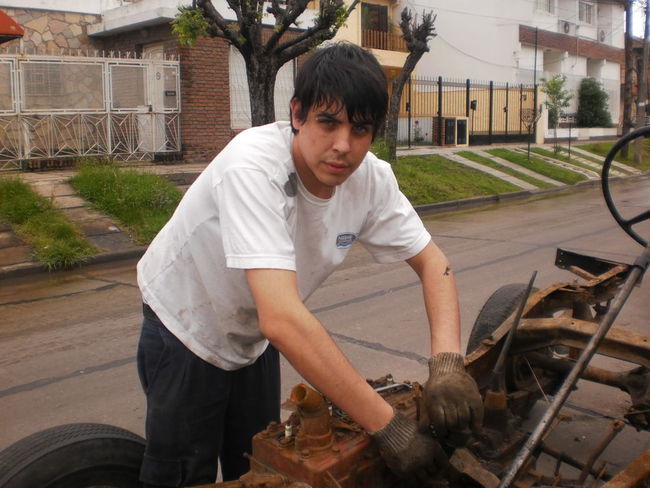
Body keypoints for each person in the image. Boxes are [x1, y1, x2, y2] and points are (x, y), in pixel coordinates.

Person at [136, 42, 483, 487]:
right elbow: (282, 318)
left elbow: (434, 263)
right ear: (297, 114)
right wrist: (390, 427)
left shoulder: (371, 180)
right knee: (183, 473)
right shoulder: (254, 167)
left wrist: (448, 364)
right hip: (184, 329)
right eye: (328, 122)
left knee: (265, 464)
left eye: (360, 129)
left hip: (251, 337)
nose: (343, 146)